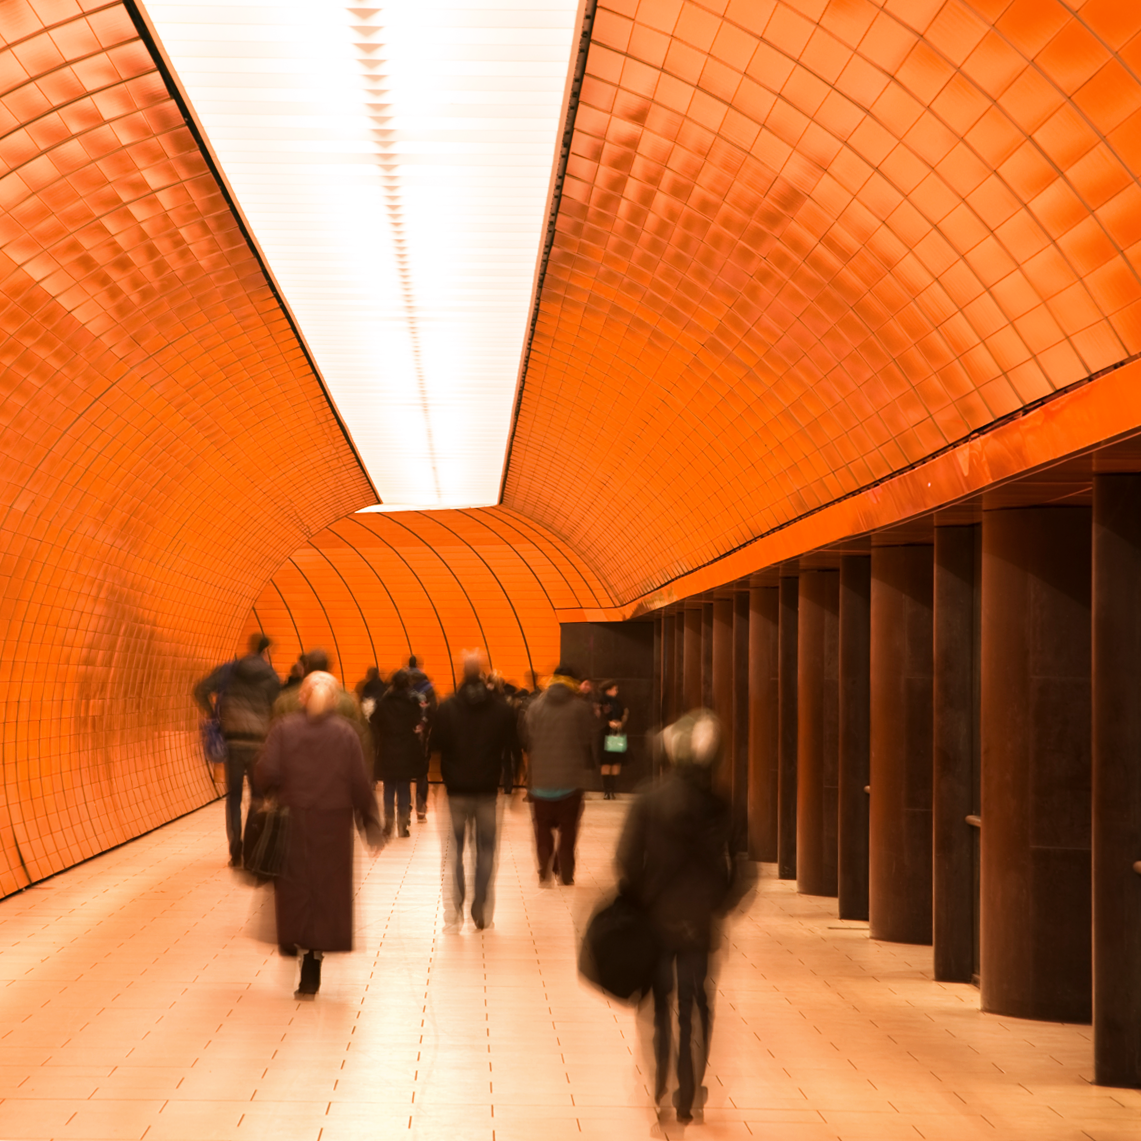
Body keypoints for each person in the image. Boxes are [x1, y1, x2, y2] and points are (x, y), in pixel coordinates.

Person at [616, 710, 746, 1124]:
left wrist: (640, 898)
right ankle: (689, 1091)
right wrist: (719, 903)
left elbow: (626, 859)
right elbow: (744, 867)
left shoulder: (648, 799)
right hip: (700, 920)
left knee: (659, 1003)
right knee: (697, 1002)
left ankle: (659, 1085)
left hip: (656, 917)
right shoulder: (725, 805)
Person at [254, 671, 383, 997]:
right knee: (326, 892)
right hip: (333, 827)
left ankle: (292, 938)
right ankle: (313, 964)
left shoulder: (283, 729)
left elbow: (265, 771)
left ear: (301, 697)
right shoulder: (346, 734)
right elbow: (358, 782)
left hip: (294, 822)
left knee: (294, 888)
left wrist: (266, 791)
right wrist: (369, 822)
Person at [433, 659, 515, 929]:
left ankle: (455, 908)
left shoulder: (446, 708)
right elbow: (511, 749)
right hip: (487, 792)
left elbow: (436, 747)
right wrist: (511, 786)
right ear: (482, 676)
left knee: (454, 852)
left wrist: (434, 785)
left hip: (456, 791)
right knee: (486, 850)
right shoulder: (502, 711)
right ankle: (480, 907)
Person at [194, 633, 280, 867]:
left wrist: (213, 713)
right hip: (259, 745)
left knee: (233, 797)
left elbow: (200, 690)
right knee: (257, 795)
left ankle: (236, 851)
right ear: (266, 650)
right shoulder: (271, 676)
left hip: (233, 742)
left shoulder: (229, 671)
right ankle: (253, 848)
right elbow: (278, 708)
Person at [522, 664, 596, 886]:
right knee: (568, 829)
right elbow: (586, 738)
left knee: (542, 827)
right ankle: (566, 872)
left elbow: (529, 737)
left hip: (541, 780)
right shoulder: (580, 708)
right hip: (570, 782)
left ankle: (544, 868)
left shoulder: (535, 706)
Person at [370, 669, 425, 837]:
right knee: (403, 787)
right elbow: (418, 722)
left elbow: (373, 720)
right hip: (407, 749)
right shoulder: (411, 703)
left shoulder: (384, 702)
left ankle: (388, 825)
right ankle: (403, 825)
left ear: (392, 684)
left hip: (388, 748)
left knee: (388, 788)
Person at [407, 655, 437, 821]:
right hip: (422, 738)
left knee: (404, 772)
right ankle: (421, 808)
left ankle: (405, 807)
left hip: (404, 736)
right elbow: (433, 712)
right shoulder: (428, 688)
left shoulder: (402, 687)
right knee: (422, 773)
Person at [599, 681, 628, 800]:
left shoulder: (618, 702)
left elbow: (624, 714)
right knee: (606, 761)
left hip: (617, 733)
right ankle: (606, 790)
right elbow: (597, 716)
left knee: (616, 761)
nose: (616, 691)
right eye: (614, 689)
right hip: (604, 733)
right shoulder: (601, 701)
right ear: (608, 689)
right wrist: (607, 722)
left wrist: (621, 722)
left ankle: (613, 790)